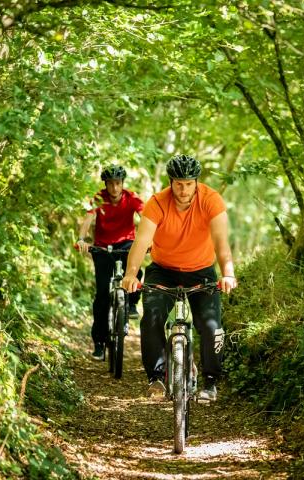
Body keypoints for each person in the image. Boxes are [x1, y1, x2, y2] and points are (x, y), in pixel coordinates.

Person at [121, 153, 237, 402]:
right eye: (178, 184)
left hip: (202, 270)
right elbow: (141, 243)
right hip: (163, 269)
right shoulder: (157, 203)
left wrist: (228, 273)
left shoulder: (211, 201)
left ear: (197, 182)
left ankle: (210, 382)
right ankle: (156, 378)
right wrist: (131, 273)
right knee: (151, 319)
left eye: (189, 184)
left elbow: (221, 243)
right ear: (171, 182)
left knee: (210, 326)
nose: (183, 190)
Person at [77, 165, 145, 360]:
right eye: (110, 184)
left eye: (117, 183)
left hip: (126, 244)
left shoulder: (131, 197)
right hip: (103, 247)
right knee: (102, 297)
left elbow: (146, 217)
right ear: (105, 184)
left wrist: (150, 241)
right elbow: (88, 219)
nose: (114, 188)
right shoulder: (99, 198)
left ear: (122, 184)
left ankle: (131, 303)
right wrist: (82, 239)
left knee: (135, 269)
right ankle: (99, 342)